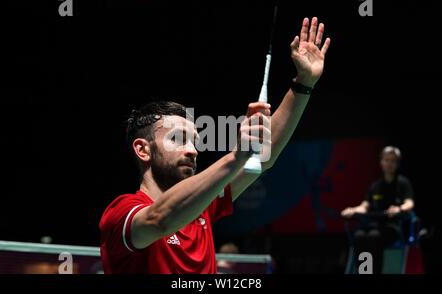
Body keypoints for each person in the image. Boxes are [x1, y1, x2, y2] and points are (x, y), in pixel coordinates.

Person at [100, 17, 331, 274]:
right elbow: (159, 220)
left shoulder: (204, 207)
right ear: (143, 149)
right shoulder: (121, 213)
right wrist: (235, 157)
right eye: (177, 139)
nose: (192, 150)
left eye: (195, 142)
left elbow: (265, 156)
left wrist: (303, 85)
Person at [341, 146, 415, 273]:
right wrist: (352, 210)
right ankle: (364, 271)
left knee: (374, 237)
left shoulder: (403, 183)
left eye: (393, 161)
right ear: (381, 162)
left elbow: (409, 203)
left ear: (397, 164)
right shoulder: (375, 186)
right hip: (373, 226)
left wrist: (399, 208)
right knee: (359, 236)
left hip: (393, 228)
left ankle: (374, 272)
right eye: (386, 160)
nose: (389, 163)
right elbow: (364, 207)